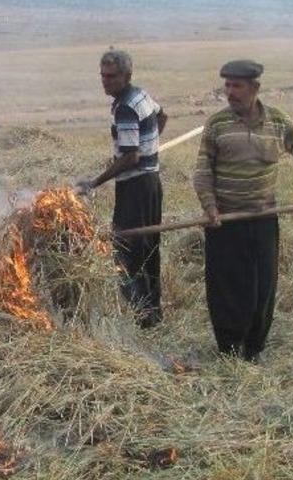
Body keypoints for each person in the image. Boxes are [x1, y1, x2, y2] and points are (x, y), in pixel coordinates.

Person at [193, 59, 293, 362]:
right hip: (224, 223)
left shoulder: (278, 122)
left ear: (255, 88)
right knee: (226, 288)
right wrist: (210, 207)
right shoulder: (217, 124)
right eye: (226, 85)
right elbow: (202, 172)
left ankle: (254, 350)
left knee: (261, 288)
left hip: (264, 220)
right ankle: (228, 350)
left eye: (236, 86)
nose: (230, 92)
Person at [77, 48, 168, 328]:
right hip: (152, 184)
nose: (106, 81)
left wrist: (94, 183)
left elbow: (130, 157)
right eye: (103, 76)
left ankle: (143, 317)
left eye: (112, 76)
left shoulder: (126, 106)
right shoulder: (140, 94)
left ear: (127, 75)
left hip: (136, 188)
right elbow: (162, 117)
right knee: (149, 247)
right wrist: (149, 144)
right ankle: (153, 312)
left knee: (126, 251)